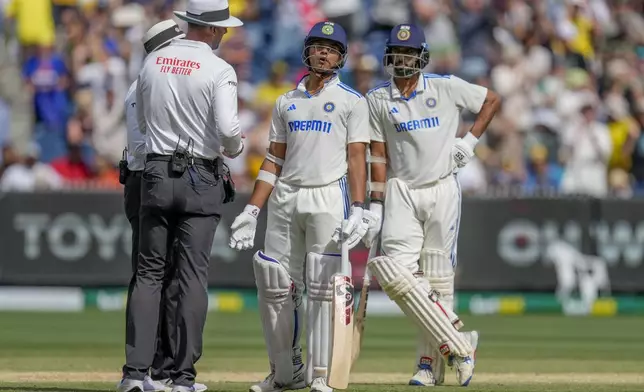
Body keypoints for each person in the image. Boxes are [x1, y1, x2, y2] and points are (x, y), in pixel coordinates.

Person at [228, 21, 376, 392]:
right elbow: (273, 162)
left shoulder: (353, 101)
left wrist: (359, 207)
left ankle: (321, 373)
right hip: (285, 198)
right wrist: (251, 211)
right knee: (275, 285)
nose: (323, 53)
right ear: (307, 51)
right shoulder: (286, 102)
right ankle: (284, 373)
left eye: (331, 48)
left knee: (324, 288)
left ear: (341, 57)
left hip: (328, 195)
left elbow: (357, 158)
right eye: (317, 46)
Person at [363, 24, 501, 387]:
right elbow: (377, 154)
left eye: (409, 53)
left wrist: (469, 142)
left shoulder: (445, 86)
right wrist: (375, 205)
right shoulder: (378, 99)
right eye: (397, 53)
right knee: (393, 272)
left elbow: (491, 100)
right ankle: (460, 342)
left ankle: (428, 365)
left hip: (442, 188)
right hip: (400, 190)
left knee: (438, 278)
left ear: (421, 56)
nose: (403, 59)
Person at [119, 0, 244, 391]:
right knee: (191, 277)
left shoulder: (153, 62)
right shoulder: (218, 68)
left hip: (155, 170)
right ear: (207, 29)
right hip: (200, 174)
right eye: (221, 28)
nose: (223, 33)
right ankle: (181, 377)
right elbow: (228, 132)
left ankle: (136, 374)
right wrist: (235, 149)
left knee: (149, 274)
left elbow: (140, 122)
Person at [119, 19, 207, 392]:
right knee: (165, 277)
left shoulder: (143, 81)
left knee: (151, 276)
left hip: (143, 178)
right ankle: (164, 368)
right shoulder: (151, 83)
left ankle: (150, 368)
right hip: (157, 177)